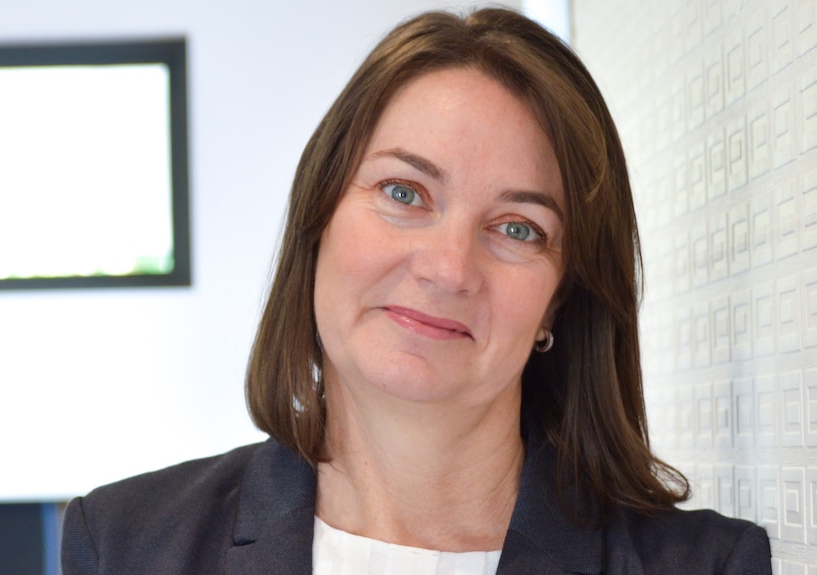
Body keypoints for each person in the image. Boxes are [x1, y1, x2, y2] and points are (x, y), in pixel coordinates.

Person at [61, 7, 772, 575]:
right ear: (320, 217)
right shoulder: (125, 543)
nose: (447, 266)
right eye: (405, 191)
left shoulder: (710, 565)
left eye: (518, 228)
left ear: (561, 297)